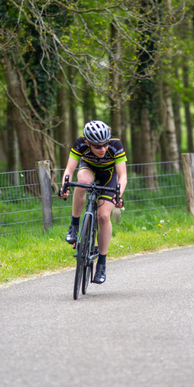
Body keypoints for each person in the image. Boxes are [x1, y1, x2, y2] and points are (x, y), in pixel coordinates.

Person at [59, 120, 127, 284]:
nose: (102, 149)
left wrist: (118, 195)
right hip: (88, 169)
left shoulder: (115, 144)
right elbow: (69, 170)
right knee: (82, 182)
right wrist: (64, 187)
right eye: (97, 146)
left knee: (103, 217)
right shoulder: (80, 143)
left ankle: (102, 264)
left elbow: (122, 176)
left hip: (108, 177)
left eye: (104, 145)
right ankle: (74, 225)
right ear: (88, 143)